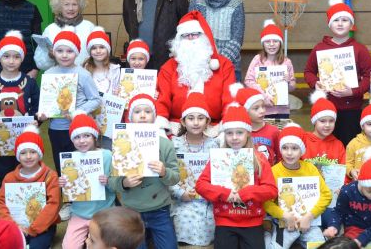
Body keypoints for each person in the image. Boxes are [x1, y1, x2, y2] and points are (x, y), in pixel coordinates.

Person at [37, 26, 102, 221]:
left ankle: (90, 198)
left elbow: (96, 99)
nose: (64, 55)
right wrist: (43, 114)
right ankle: (69, 201)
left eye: (69, 51)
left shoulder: (82, 74)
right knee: (62, 164)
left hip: (80, 128)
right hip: (57, 129)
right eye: (60, 50)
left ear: (76, 52)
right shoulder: (48, 74)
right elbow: (47, 101)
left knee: (84, 162)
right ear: (53, 52)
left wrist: (77, 112)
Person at [196, 103, 278, 249]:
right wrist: (225, 193)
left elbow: (271, 190)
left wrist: (246, 193)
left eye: (239, 132)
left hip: (252, 221)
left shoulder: (259, 159)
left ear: (248, 133)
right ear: (224, 135)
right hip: (225, 221)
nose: (234, 138)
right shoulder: (218, 158)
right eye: (229, 133)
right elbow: (201, 185)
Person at [108, 94, 180, 249]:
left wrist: (163, 172)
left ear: (154, 118)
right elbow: (112, 181)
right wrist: (124, 182)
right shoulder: (120, 145)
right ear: (130, 118)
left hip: (160, 210)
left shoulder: (165, 144)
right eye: (137, 111)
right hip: (131, 212)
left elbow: (175, 177)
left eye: (147, 111)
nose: (142, 115)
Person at [303, 0, 371, 146]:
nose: (340, 24)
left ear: (351, 24)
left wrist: (354, 91)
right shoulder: (320, 48)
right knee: (325, 147)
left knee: (349, 146)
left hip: (351, 109)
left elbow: (369, 76)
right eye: (336, 20)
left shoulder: (360, 49)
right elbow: (308, 72)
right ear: (329, 23)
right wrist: (315, 84)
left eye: (344, 20)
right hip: (326, 108)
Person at [0, 30, 40, 190]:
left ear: (22, 58)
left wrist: (36, 119)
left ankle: (28, 195)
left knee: (28, 164)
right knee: (2, 167)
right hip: (1, 135)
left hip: (26, 135)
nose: (11, 61)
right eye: (6, 56)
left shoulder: (30, 82)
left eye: (16, 56)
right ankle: (4, 195)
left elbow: (38, 105)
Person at [156, 11, 235, 136]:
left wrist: (225, 130)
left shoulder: (224, 65)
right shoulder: (168, 68)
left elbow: (230, 101)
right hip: (177, 128)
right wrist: (160, 128)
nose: (191, 38)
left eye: (195, 34)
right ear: (178, 40)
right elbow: (162, 100)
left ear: (204, 37)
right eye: (185, 35)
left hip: (215, 128)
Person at [263, 125, 332, 248]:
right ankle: (268, 234)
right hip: (283, 222)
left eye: (295, 148)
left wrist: (309, 216)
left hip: (309, 223)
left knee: (320, 246)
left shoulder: (310, 168)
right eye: (285, 148)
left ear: (302, 150)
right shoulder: (273, 171)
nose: (289, 153)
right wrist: (285, 215)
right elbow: (266, 202)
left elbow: (326, 195)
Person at [0, 126, 60, 249]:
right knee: (4, 243)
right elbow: (1, 202)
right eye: (23, 153)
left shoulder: (50, 176)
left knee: (37, 246)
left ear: (40, 153)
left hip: (43, 226)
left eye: (33, 152)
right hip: (17, 225)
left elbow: (53, 204)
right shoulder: (9, 178)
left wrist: (33, 229)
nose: (28, 156)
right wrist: (13, 226)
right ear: (18, 156)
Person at [60, 113, 116, 249]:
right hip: (80, 212)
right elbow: (71, 190)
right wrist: (63, 184)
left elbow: (116, 186)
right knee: (68, 247)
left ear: (94, 137)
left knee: (108, 245)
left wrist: (108, 181)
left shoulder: (107, 155)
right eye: (77, 137)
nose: (82, 141)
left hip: (104, 212)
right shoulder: (71, 159)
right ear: (72, 140)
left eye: (86, 135)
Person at [169, 92, 219, 247]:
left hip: (207, 200)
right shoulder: (174, 144)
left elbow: (219, 174)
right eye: (191, 118)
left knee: (211, 219)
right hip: (182, 198)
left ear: (207, 122)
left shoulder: (214, 145)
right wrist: (180, 193)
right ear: (183, 122)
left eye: (200, 118)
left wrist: (211, 192)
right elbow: (168, 175)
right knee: (184, 218)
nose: (196, 122)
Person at [189, 0, 245, 81]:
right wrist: (206, 60)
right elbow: (191, 36)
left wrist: (220, 61)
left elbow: (237, 39)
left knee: (231, 100)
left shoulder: (236, 2)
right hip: (202, 67)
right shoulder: (196, 2)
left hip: (230, 67)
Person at [323, 153, 371, 248]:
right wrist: (333, 226)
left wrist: (362, 239)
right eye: (370, 192)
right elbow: (338, 212)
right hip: (354, 228)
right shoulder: (347, 191)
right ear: (361, 182)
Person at [34, 0, 95, 70]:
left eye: (74, 4)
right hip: (58, 79)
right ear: (59, 7)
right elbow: (40, 63)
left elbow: (100, 55)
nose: (71, 8)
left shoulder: (89, 27)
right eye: (66, 4)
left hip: (85, 77)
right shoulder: (50, 29)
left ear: (80, 6)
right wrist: (50, 56)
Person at [244, 20, 296, 118]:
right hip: (261, 109)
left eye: (275, 41)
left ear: (280, 43)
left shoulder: (286, 62)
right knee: (264, 133)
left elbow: (292, 87)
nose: (271, 44)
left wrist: (288, 82)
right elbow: (248, 81)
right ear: (263, 44)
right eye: (267, 41)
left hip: (282, 110)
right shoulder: (257, 59)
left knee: (280, 132)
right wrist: (264, 96)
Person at [84, 26, 122, 149]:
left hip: (110, 119)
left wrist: (119, 93)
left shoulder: (115, 70)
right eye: (94, 48)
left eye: (102, 47)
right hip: (91, 117)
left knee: (109, 151)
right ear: (89, 51)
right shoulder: (84, 71)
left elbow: (121, 92)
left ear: (108, 49)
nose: (98, 51)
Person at [230, 83, 280, 165]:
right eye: (256, 108)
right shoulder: (240, 134)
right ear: (245, 111)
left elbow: (280, 157)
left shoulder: (274, 131)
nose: (262, 111)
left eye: (263, 106)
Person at [301, 90, 346, 167]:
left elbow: (343, 171)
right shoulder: (303, 141)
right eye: (322, 121)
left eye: (331, 121)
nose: (327, 125)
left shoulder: (338, 145)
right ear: (314, 122)